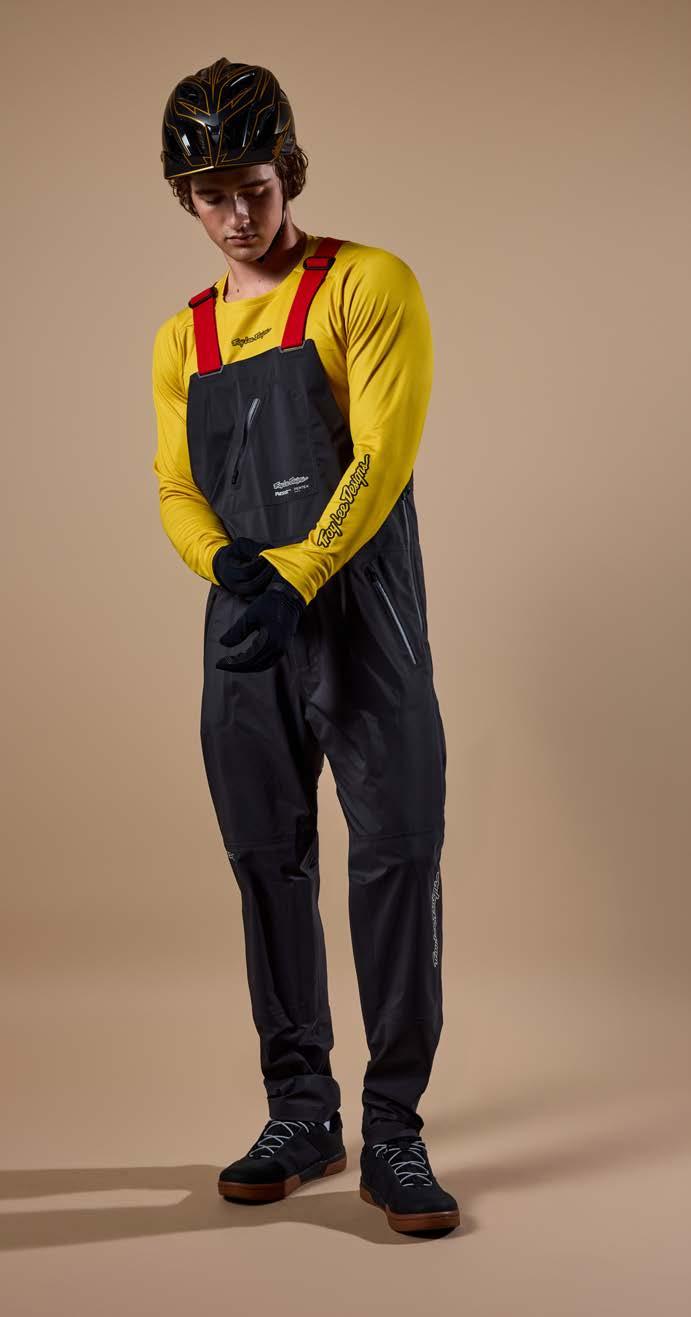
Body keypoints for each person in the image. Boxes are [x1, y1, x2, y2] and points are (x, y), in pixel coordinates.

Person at [152, 57, 460, 1236]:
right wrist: (227, 567)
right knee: (264, 864)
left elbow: (381, 456)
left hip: (364, 623)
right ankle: (301, 1115)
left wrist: (297, 573)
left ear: (290, 172)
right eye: (212, 194)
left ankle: (395, 1130)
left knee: (396, 858)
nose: (238, 214)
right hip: (248, 635)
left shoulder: (367, 284)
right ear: (185, 198)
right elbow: (175, 488)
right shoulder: (182, 338)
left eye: (256, 186)